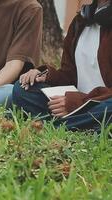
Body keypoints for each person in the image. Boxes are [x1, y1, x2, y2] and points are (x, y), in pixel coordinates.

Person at [13, 0, 112, 132]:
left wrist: (77, 102)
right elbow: (69, 74)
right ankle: (81, 125)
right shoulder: (80, 21)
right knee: (22, 89)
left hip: (100, 103)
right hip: (75, 104)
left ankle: (54, 127)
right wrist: (45, 75)